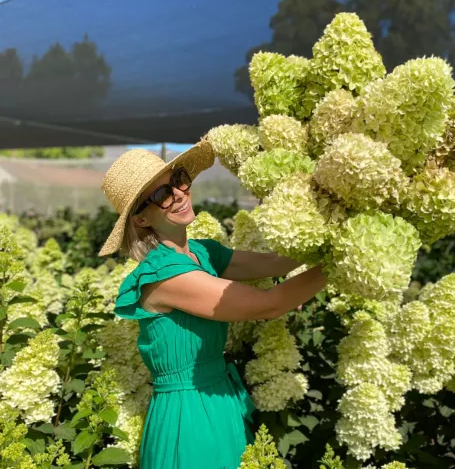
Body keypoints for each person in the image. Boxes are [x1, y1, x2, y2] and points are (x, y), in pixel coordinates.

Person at [99, 138, 327, 469]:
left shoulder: (202, 252)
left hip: (221, 400)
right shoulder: (166, 275)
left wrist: (333, 219)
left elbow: (278, 262)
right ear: (141, 220)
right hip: (189, 419)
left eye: (177, 179)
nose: (178, 193)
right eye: (161, 195)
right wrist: (345, 260)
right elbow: (270, 304)